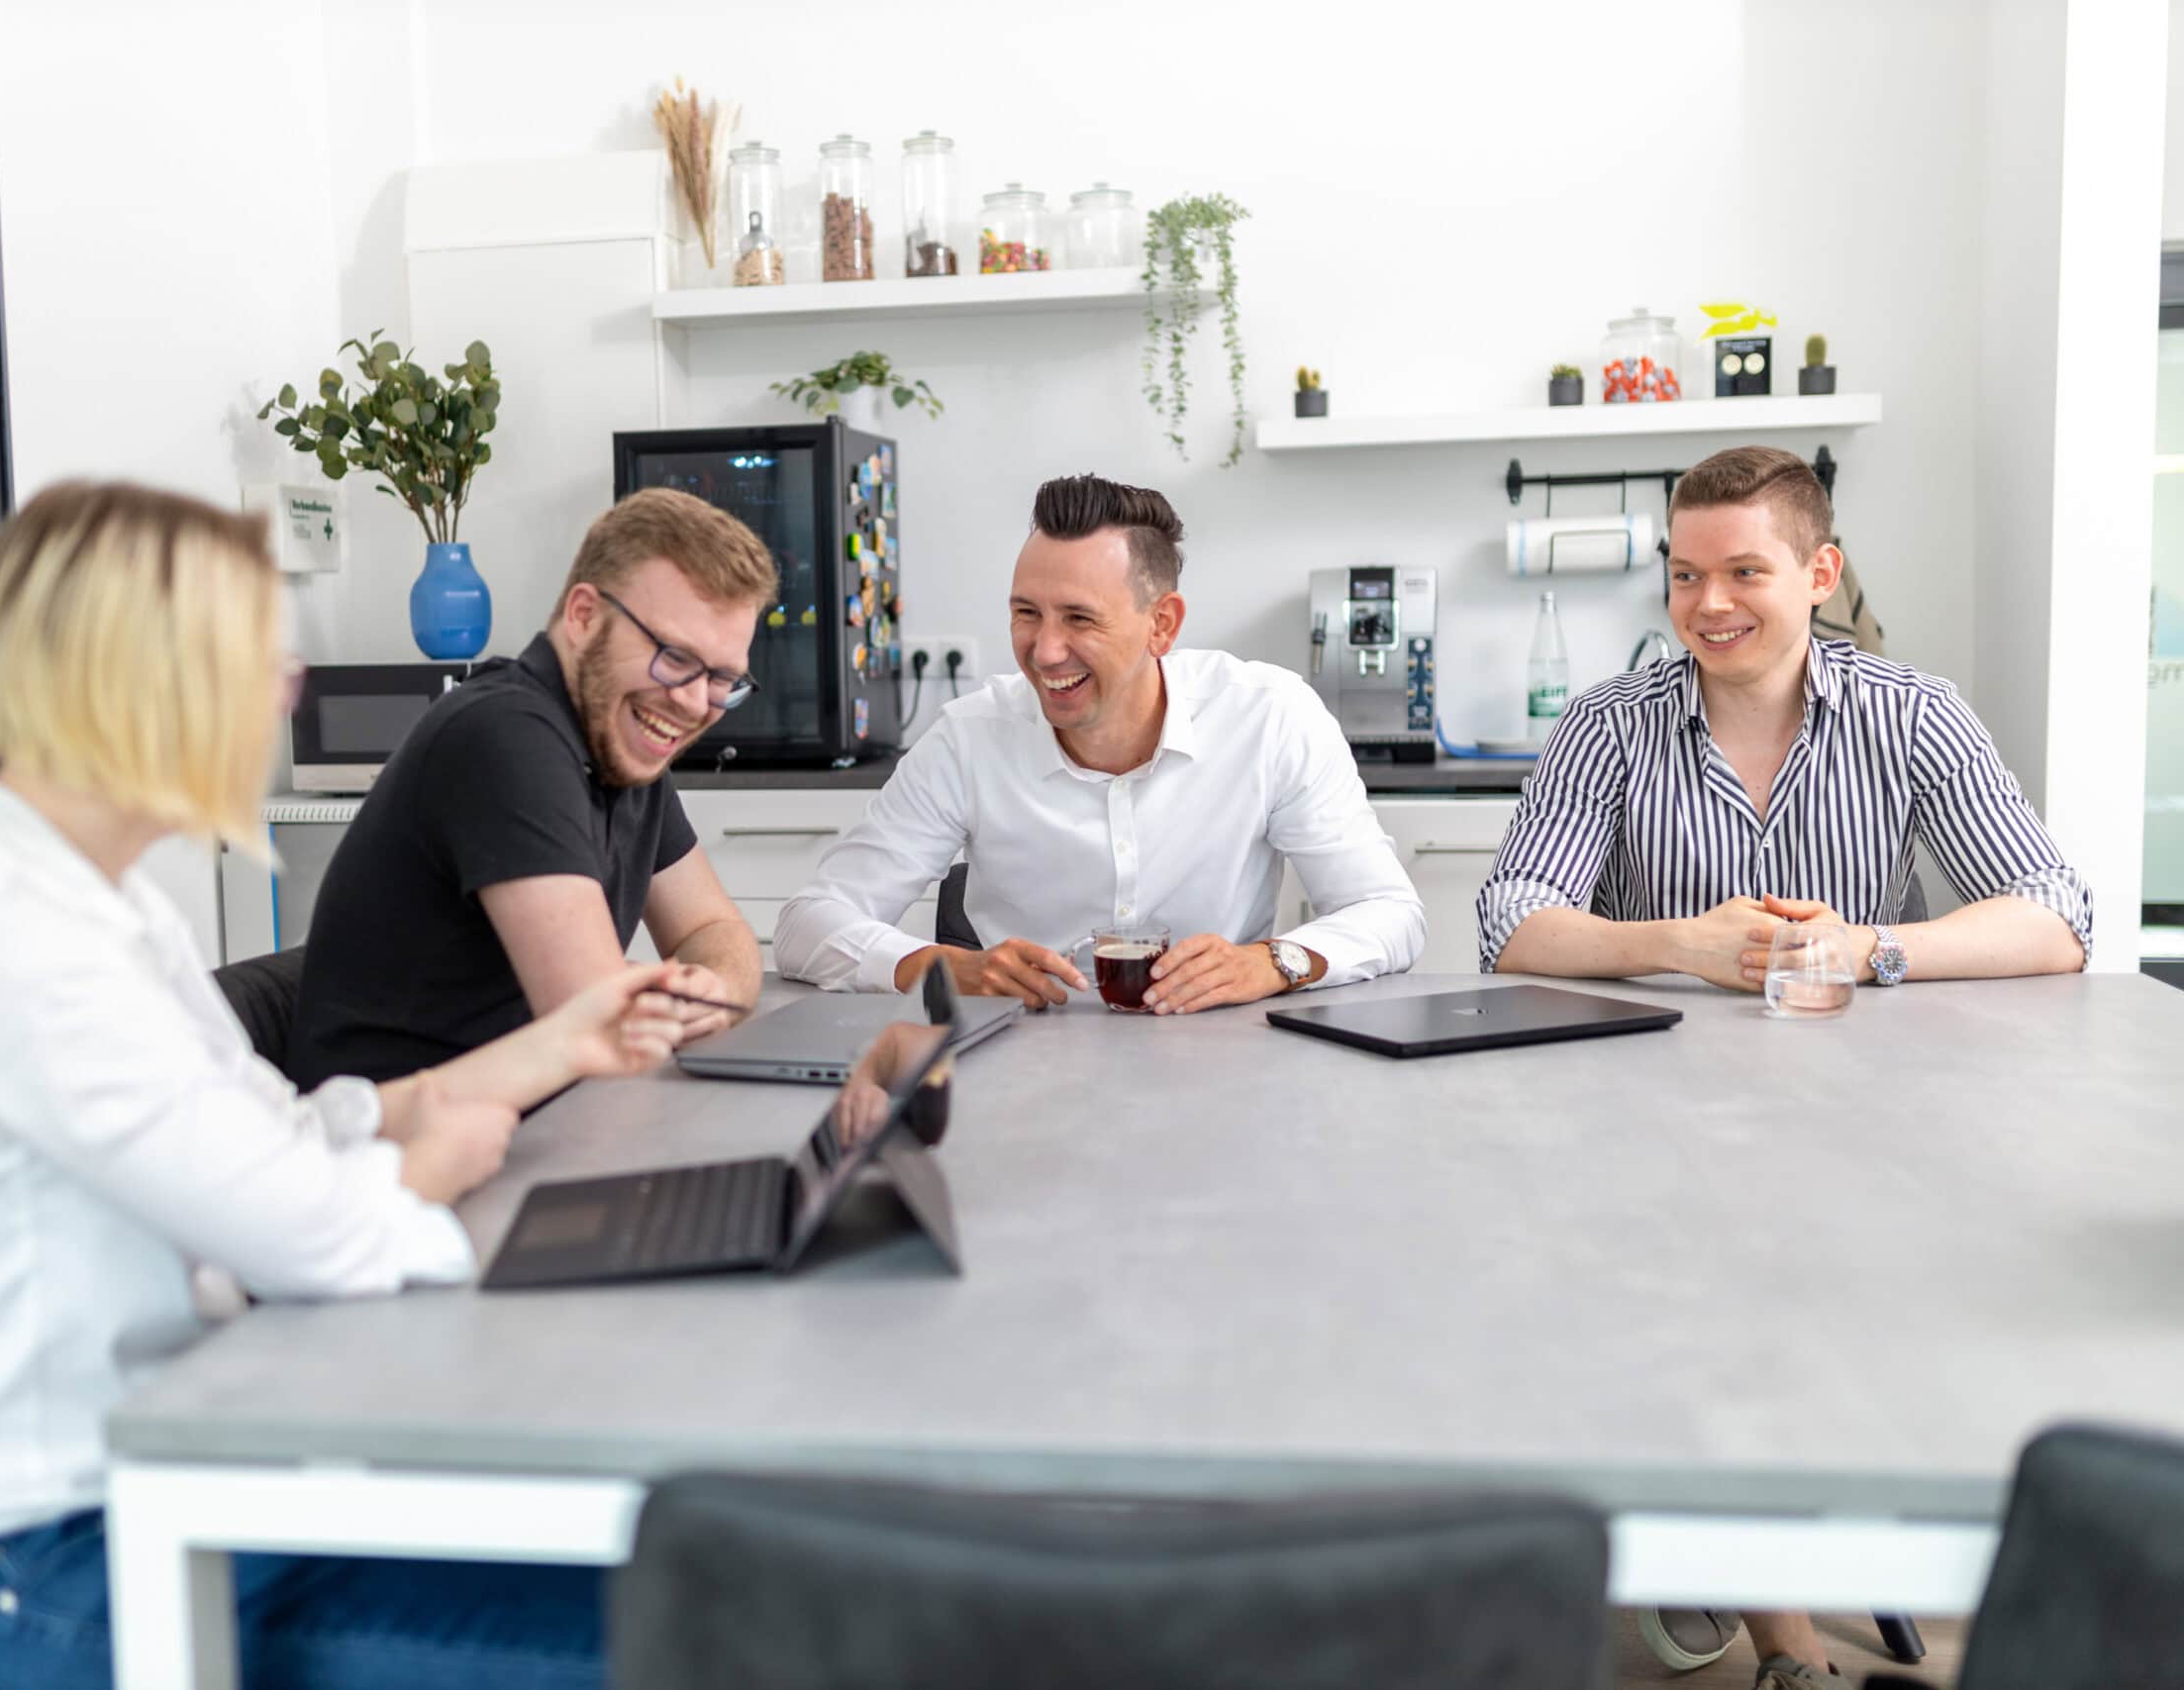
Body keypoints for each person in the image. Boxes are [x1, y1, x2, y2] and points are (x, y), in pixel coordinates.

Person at [0, 481, 686, 1690]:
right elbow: (310, 1238)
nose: (284, 690)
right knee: (674, 1637)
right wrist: (425, 1166)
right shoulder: (4, 927)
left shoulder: (84, 895)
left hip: (151, 1471)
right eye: (255, 657)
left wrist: (525, 1062)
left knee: (675, 1580)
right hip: (28, 1569)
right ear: (140, 677)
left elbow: (263, 1133)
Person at [1473, 445, 2089, 1689]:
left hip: (1865, 1118)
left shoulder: (1910, 713)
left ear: (1819, 570)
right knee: (1710, 1285)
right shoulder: (1610, 724)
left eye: (1744, 571)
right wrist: (1678, 944)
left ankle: (1733, 1533)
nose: (1708, 605)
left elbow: (2057, 915)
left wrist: (1873, 950)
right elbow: (1509, 918)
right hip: (1653, 1124)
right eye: (1684, 574)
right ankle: (1792, 1649)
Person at [775, 473, 1424, 1010]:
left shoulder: (1270, 716)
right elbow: (808, 924)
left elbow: (1389, 912)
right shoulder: (969, 738)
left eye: (1079, 618)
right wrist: (944, 967)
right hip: (1022, 1070)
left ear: (1162, 624)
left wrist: (1276, 962)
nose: (1045, 649)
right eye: (1026, 612)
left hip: (1223, 1065)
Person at [287, 488, 774, 1088]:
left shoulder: (622, 734)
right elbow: (603, 1030)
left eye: (723, 678)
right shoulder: (505, 736)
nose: (696, 702)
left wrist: (713, 989)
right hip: (402, 1158)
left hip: (528, 1127)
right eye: (675, 657)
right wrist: (673, 1007)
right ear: (584, 616)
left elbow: (713, 932)